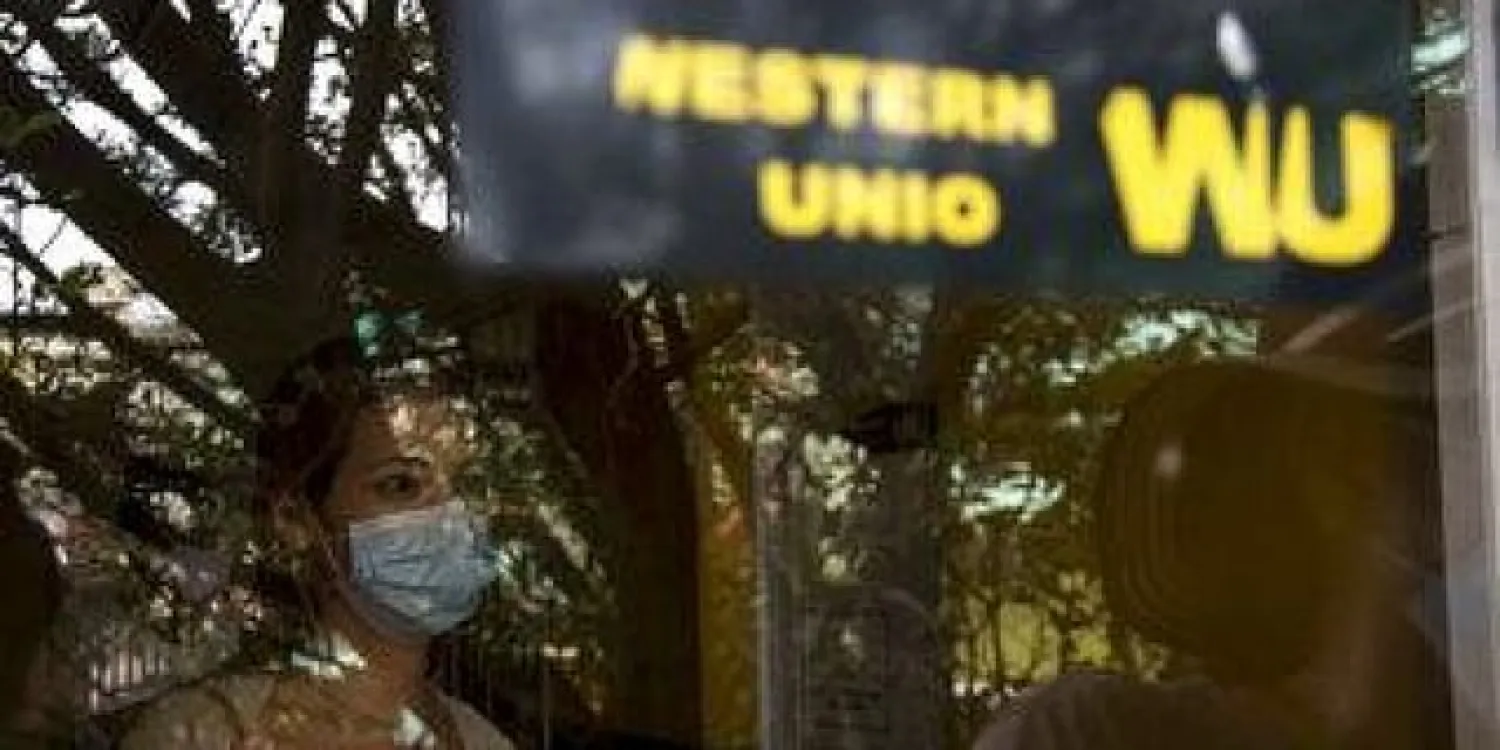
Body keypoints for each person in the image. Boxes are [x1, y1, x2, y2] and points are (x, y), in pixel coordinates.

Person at [972, 360, 1461, 750]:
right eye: (1421, 431)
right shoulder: (1094, 732)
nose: (1451, 460)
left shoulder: (1465, 710)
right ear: (1342, 481)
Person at [121, 338, 515, 748]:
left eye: (469, 485)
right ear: (295, 519)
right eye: (401, 485)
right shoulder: (204, 734)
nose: (451, 517)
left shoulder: (482, 740)